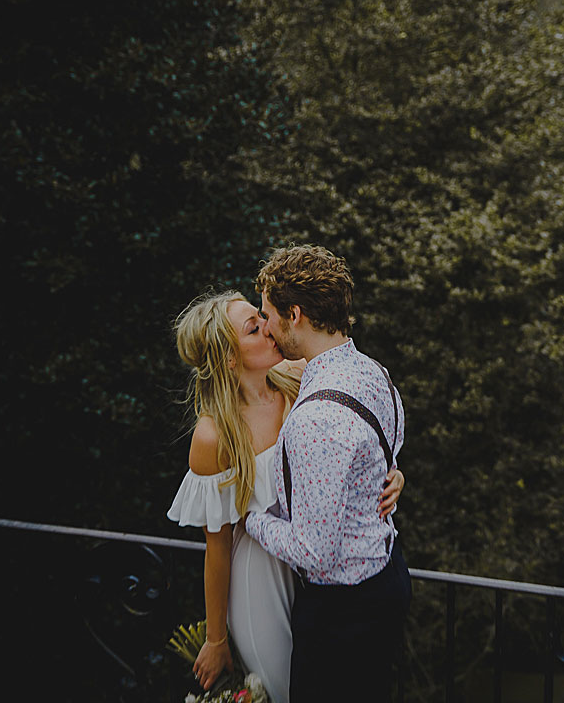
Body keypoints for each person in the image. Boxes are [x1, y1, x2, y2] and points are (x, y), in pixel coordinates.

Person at [167, 291, 405, 701]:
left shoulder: (299, 379)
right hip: (260, 579)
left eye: (263, 317)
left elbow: (357, 441)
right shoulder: (214, 436)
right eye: (253, 327)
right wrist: (216, 637)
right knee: (285, 691)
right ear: (227, 357)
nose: (269, 327)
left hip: (320, 574)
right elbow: (218, 548)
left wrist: (393, 473)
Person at [242, 244, 412, 702]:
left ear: (293, 314)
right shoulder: (372, 370)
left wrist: (251, 518)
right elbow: (389, 443)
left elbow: (314, 553)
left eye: (268, 314)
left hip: (344, 609)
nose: (266, 326)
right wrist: (394, 473)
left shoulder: (316, 420)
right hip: (386, 574)